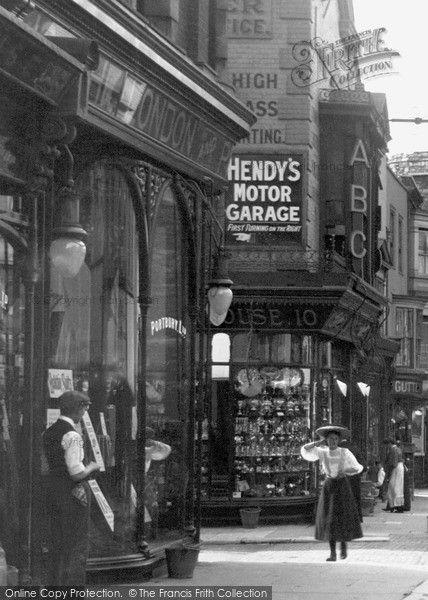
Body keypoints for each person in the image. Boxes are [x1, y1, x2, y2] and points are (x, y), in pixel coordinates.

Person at [43, 391, 100, 585]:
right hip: (72, 495)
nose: (85, 412)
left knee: (56, 543)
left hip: (53, 491)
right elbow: (76, 473)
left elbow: (46, 465)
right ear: (79, 409)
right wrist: (92, 466)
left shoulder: (49, 432)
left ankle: (54, 589)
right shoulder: (72, 435)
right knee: (76, 545)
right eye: (84, 408)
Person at [301, 424, 363, 562]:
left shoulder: (345, 452)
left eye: (335, 439)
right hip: (329, 487)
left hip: (342, 486)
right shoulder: (322, 451)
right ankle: (332, 553)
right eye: (330, 439)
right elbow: (305, 451)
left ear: (339, 440)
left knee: (343, 517)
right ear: (326, 440)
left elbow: (357, 468)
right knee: (329, 519)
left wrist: (346, 471)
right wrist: (318, 442)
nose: (333, 442)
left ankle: (343, 545)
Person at [339, 439, 365, 522]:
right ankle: (356, 518)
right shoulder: (355, 448)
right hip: (354, 478)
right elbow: (363, 465)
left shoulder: (337, 449)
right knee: (355, 497)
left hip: (341, 478)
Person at [383, 438, 404, 512]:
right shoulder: (397, 449)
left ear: (389, 443)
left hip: (396, 468)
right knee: (395, 486)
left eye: (386, 445)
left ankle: (397, 506)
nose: (386, 447)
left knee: (395, 486)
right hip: (399, 467)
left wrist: (389, 472)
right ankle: (393, 506)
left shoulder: (393, 450)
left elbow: (393, 463)